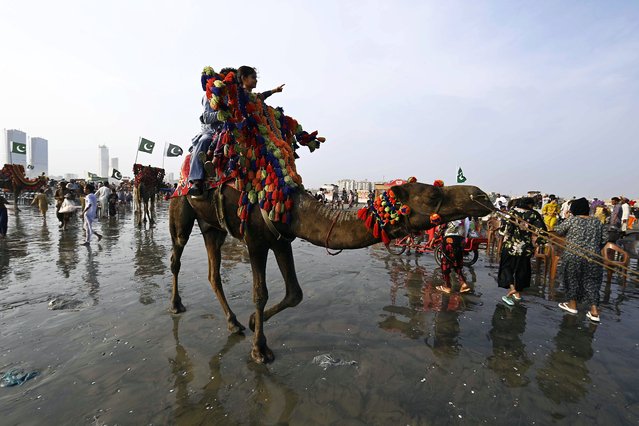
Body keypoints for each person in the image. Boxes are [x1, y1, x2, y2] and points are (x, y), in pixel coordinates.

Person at [555, 197, 607, 322]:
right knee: (592, 282)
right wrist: (593, 248)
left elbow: (559, 231)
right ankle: (594, 311)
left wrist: (566, 218)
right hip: (593, 257)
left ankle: (572, 305)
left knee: (571, 279)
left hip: (573, 256)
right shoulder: (597, 222)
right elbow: (604, 239)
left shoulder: (572, 220)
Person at [498, 197, 546, 306]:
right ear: (529, 205)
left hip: (510, 246)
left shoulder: (511, 213)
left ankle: (512, 288)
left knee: (507, 268)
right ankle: (518, 293)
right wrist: (535, 244)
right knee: (522, 270)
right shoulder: (534, 215)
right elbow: (543, 233)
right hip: (525, 248)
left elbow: (503, 231)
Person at [436, 218, 472, 294]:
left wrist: (436, 236)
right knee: (457, 263)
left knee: (445, 263)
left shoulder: (450, 214)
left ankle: (447, 286)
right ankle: (463, 283)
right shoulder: (465, 217)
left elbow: (441, 227)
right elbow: (467, 228)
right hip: (460, 240)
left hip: (449, 240)